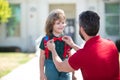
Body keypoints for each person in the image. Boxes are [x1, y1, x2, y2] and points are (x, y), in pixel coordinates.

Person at [47, 10, 119, 80]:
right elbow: (90, 56)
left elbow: (60, 66)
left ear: (81, 29)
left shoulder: (82, 55)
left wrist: (53, 49)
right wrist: (72, 45)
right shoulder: (111, 44)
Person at [39, 9, 76, 80]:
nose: (61, 25)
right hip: (50, 67)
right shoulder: (46, 40)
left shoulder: (67, 39)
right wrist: (41, 73)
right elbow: (42, 57)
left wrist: (73, 74)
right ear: (51, 25)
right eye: (58, 23)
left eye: (63, 23)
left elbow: (70, 56)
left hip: (65, 66)